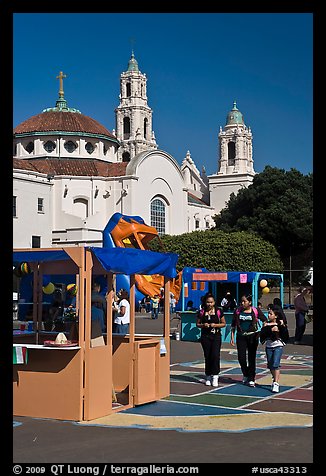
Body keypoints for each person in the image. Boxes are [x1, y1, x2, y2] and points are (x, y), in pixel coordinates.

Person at [230, 294, 267, 387]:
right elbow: (233, 325)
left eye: (244, 301)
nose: (242, 303)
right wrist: (232, 337)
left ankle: (251, 378)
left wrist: (262, 331)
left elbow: (265, 320)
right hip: (241, 336)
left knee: (251, 358)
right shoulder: (237, 311)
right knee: (241, 358)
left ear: (249, 302)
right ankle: (245, 374)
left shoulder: (255, 310)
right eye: (241, 301)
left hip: (252, 337)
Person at [196, 293, 226, 387]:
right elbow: (198, 324)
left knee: (215, 355)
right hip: (205, 336)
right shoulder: (201, 312)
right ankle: (208, 376)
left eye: (211, 302)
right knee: (207, 356)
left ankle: (215, 376)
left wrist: (215, 325)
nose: (209, 304)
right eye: (208, 302)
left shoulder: (218, 311)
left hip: (216, 336)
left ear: (214, 302)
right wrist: (203, 325)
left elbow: (224, 323)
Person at [260, 305, 289, 393]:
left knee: (276, 363)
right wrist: (268, 328)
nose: (269, 315)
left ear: (276, 315)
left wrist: (279, 327)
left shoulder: (280, 323)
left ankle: (276, 383)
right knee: (270, 364)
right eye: (268, 313)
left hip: (278, 346)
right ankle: (274, 377)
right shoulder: (266, 324)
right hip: (269, 346)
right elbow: (263, 334)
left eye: (271, 314)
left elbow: (284, 333)